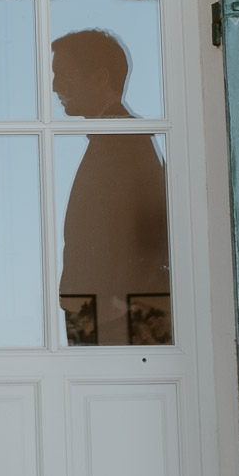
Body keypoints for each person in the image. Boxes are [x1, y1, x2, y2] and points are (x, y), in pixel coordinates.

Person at [51, 29, 170, 346]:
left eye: (65, 74)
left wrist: (119, 302)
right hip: (100, 313)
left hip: (113, 319)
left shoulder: (126, 140)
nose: (55, 86)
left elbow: (153, 226)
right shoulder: (116, 139)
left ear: (100, 78)